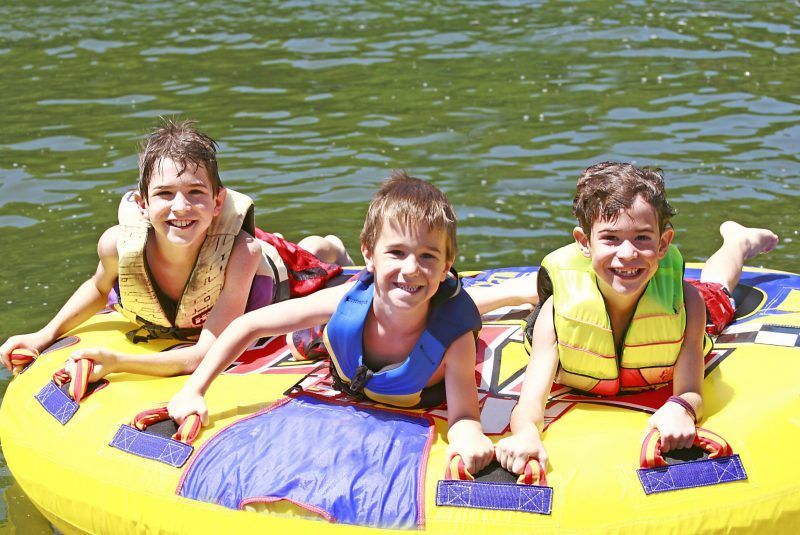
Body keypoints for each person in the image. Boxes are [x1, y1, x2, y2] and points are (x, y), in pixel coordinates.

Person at [168, 170, 514, 474]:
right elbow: (249, 325)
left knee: (453, 301)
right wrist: (193, 390)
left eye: (427, 256)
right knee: (304, 339)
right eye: (396, 252)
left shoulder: (455, 338)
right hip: (343, 347)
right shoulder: (347, 303)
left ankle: (516, 291)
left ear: (446, 261)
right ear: (369, 254)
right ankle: (328, 249)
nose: (411, 267)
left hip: (429, 339)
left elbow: (464, 415)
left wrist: (468, 434)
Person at [0, 119, 351, 380]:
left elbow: (204, 354)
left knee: (313, 256)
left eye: (195, 192)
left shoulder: (243, 253)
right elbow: (98, 287)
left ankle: (332, 245)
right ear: (142, 204)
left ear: (218, 202)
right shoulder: (117, 246)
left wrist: (118, 362)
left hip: (272, 275)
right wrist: (43, 335)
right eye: (165, 194)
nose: (180, 207)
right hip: (209, 252)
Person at [495, 162, 778, 475]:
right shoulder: (556, 315)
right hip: (581, 298)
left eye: (642, 238)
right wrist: (526, 434)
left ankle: (738, 243)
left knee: (717, 291)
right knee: (546, 298)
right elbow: (530, 404)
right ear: (584, 242)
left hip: (666, 298)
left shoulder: (687, 305)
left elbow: (691, 391)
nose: (628, 253)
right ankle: (524, 290)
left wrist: (680, 408)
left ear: (663, 244)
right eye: (611, 238)